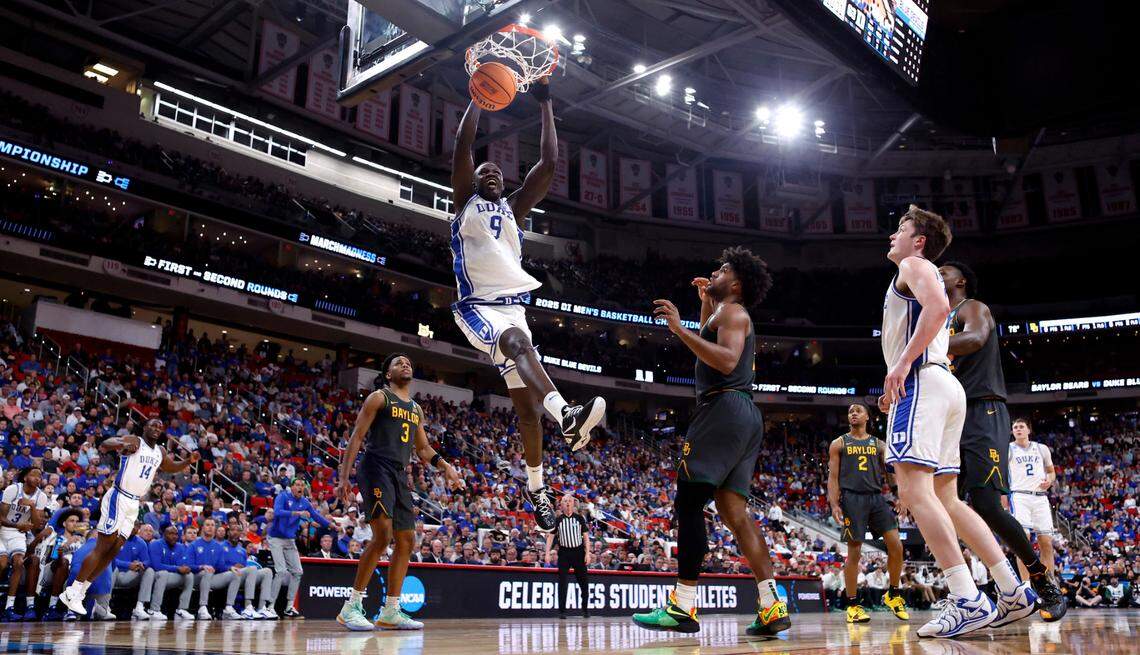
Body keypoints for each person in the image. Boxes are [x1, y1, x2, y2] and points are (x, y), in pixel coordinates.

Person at [450, 77, 605, 532]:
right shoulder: (465, 204)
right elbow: (463, 144)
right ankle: (569, 416)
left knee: (526, 411)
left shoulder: (514, 212)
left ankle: (537, 489)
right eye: (484, 172)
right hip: (478, 306)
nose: (491, 173)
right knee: (519, 344)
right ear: (474, 183)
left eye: (498, 172)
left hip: (514, 308)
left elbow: (550, 162)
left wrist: (547, 103)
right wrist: (478, 96)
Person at [878, 205, 1034, 637]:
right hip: (943, 384)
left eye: (900, 229)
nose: (893, 235)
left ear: (919, 240)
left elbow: (936, 306)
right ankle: (1011, 588)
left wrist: (903, 364)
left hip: (925, 380)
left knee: (913, 490)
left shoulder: (914, 264)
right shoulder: (918, 268)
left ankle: (965, 596)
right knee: (947, 498)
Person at [632, 247, 789, 636]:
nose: (713, 272)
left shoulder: (734, 312)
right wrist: (703, 306)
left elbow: (725, 361)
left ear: (735, 284)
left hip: (722, 411)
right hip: (742, 414)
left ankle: (682, 606)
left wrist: (678, 328)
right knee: (734, 511)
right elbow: (709, 347)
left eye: (722, 270)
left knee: (688, 500)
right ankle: (771, 605)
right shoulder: (723, 312)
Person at [941, 261, 1067, 621]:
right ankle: (976, 594)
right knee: (943, 505)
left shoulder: (972, 308)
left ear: (961, 281)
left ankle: (1041, 583)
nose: (938, 274)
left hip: (985, 411)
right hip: (952, 416)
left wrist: (928, 347)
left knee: (987, 504)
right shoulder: (935, 319)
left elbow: (975, 338)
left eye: (945, 271)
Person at [335, 352, 464, 631]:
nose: (405, 364)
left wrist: (447, 468)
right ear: (388, 374)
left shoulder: (416, 409)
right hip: (375, 467)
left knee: (406, 540)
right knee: (383, 536)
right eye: (398, 362)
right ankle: (351, 606)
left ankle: (391, 610)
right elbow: (357, 436)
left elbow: (423, 448)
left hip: (399, 473)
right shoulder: (379, 397)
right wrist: (343, 477)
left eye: (409, 362)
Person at [59, 419, 199, 616]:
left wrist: (188, 461)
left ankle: (80, 592)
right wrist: (124, 445)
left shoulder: (160, 451)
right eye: (153, 425)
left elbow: (169, 467)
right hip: (119, 497)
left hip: (134, 503)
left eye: (160, 426)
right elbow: (106, 444)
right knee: (103, 546)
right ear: (145, 427)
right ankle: (72, 590)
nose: (157, 428)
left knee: (114, 549)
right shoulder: (135, 440)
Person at [826, 404, 909, 623]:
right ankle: (852, 605)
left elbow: (890, 472)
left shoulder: (878, 444)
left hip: (876, 498)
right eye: (850, 411)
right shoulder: (839, 443)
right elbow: (833, 478)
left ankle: (893, 593)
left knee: (896, 545)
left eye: (858, 411)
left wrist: (897, 494)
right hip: (852, 499)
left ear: (867, 417)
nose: (853, 413)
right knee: (854, 552)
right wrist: (834, 504)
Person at [268, 478, 331, 618]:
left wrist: (331, 525)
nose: (300, 487)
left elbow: (315, 515)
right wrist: (298, 514)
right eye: (297, 485)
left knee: (298, 571)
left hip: (290, 540)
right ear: (291, 487)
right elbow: (277, 512)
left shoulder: (305, 502)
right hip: (276, 538)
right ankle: (270, 606)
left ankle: (289, 607)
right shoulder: (283, 496)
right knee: (281, 571)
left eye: (302, 485)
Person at [1007, 419, 1060, 575]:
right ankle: (1026, 585)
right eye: (1015, 427)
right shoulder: (1007, 449)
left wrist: (1049, 481)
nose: (1018, 429)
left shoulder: (1041, 448)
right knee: (1023, 541)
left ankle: (1049, 586)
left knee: (1046, 543)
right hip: (1020, 496)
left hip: (1040, 497)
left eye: (1021, 426)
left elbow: (1051, 472)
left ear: (1028, 430)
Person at [0, 466, 48, 621]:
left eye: (40, 476)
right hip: (2, 530)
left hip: (18, 534)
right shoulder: (13, 489)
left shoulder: (41, 496)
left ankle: (9, 606)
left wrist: (32, 506)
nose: (37, 478)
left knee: (19, 562)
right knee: (2, 563)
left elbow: (37, 526)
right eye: (34, 475)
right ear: (25, 477)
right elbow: (1, 518)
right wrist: (18, 525)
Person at [544, 495, 590, 619]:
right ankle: (562, 611)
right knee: (562, 582)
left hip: (579, 553)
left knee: (584, 582)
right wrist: (547, 553)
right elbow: (551, 538)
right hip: (564, 553)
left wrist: (587, 553)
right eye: (565, 501)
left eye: (570, 501)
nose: (568, 503)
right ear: (562, 505)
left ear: (573, 504)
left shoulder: (580, 518)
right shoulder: (558, 519)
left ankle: (585, 609)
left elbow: (585, 537)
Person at [110, 522, 154, 620]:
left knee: (149, 570)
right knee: (112, 567)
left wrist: (142, 564)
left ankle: (139, 607)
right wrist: (128, 565)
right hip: (115, 574)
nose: (134, 528)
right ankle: (105, 606)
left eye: (137, 526)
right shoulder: (115, 538)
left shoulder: (141, 542)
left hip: (130, 575)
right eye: (132, 524)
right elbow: (110, 558)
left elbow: (147, 560)